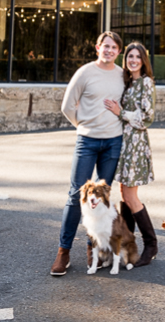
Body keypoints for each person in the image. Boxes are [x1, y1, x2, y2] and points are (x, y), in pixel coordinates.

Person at [51, 31, 126, 276]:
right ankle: (63, 252)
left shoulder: (122, 76)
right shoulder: (84, 72)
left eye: (114, 47)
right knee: (76, 196)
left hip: (113, 142)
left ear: (118, 51)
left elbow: (129, 106)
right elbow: (66, 106)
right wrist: (82, 126)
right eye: (105, 46)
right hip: (87, 141)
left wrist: (120, 112)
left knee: (103, 198)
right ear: (97, 48)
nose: (109, 50)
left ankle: (92, 249)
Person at [104, 41, 158, 266]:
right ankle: (127, 245)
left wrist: (121, 112)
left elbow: (147, 118)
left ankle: (151, 244)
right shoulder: (127, 82)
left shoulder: (146, 82)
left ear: (143, 60)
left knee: (131, 196)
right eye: (130, 57)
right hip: (123, 142)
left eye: (137, 57)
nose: (133, 60)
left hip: (136, 143)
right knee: (123, 194)